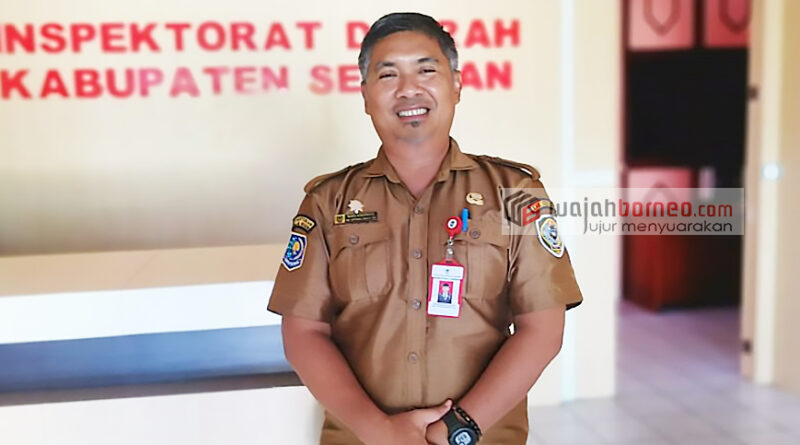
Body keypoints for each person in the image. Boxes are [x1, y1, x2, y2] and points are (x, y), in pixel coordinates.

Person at [268, 12, 582, 445]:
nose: (408, 89)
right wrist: (380, 431)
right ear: (365, 95)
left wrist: (454, 430)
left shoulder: (515, 192)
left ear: (457, 85)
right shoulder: (328, 202)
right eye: (388, 74)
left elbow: (542, 328)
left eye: (426, 70)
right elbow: (304, 333)